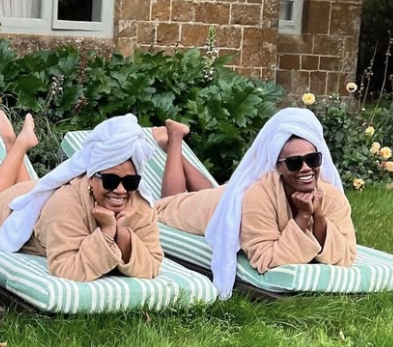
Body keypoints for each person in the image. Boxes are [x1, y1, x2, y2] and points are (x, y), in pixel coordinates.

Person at [152, 108, 357, 299]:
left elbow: (346, 254)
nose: (305, 169)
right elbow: (265, 259)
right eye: (294, 163)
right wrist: (303, 217)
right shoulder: (259, 197)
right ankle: (175, 140)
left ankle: (174, 145)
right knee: (169, 204)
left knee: (215, 192)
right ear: (278, 167)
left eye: (312, 159)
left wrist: (318, 216)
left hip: (226, 195)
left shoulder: (332, 198)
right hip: (216, 207)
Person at [0, 110, 163, 282]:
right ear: (91, 178)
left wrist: (124, 235)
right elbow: (66, 268)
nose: (120, 190)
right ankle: (15, 144)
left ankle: (16, 145)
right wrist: (108, 232)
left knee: (32, 191)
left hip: (40, 194)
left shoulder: (141, 205)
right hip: (11, 209)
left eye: (130, 182)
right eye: (110, 180)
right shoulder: (66, 204)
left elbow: (153, 265)